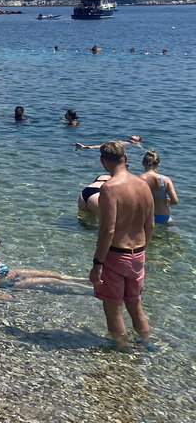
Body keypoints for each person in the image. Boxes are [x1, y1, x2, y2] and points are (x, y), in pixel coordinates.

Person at [90, 140, 154, 350]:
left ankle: (122, 349)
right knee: (135, 304)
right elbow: (150, 224)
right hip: (139, 254)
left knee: (113, 307)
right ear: (125, 159)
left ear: (102, 161)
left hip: (117, 255)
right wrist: (144, 248)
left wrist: (98, 263)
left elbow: (108, 230)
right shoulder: (143, 184)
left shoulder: (109, 188)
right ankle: (146, 344)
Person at [0, 227, 89, 301]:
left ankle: (83, 280)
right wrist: (0, 296)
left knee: (50, 273)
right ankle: (87, 288)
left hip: (11, 273)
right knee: (50, 280)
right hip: (9, 283)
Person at [139, 149, 179, 225]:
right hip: (163, 216)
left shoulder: (139, 179)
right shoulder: (165, 180)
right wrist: (168, 201)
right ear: (158, 165)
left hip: (146, 216)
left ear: (143, 163)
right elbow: (175, 201)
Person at [75, 135, 143, 150]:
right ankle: (88, 147)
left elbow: (140, 147)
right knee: (103, 145)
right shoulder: (126, 140)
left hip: (119, 144)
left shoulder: (136, 143)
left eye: (136, 136)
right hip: (117, 143)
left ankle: (87, 147)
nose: (134, 135)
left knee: (104, 146)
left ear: (138, 140)